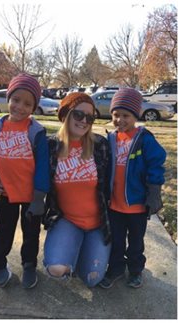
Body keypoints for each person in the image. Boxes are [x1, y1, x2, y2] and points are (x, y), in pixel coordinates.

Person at [0, 73, 50, 288]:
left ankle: (29, 265)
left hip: (31, 195)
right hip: (7, 192)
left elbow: (43, 166)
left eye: (28, 103)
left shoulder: (36, 132)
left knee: (31, 234)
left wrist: (39, 197)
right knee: (4, 232)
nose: (20, 106)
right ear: (8, 98)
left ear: (34, 107)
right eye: (16, 100)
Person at [42, 93, 112, 287]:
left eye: (89, 118)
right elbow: (26, 171)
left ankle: (81, 250)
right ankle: (64, 249)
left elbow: (116, 178)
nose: (84, 121)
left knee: (92, 279)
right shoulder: (50, 146)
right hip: (67, 220)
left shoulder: (100, 146)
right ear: (66, 114)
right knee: (56, 269)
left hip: (98, 223)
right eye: (79, 115)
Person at [99, 88, 166, 289]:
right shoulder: (111, 138)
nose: (120, 120)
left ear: (135, 116)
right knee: (116, 241)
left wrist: (154, 191)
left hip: (136, 205)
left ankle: (135, 271)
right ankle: (116, 269)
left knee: (135, 243)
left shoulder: (144, 139)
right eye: (116, 115)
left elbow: (157, 162)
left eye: (126, 115)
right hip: (115, 205)